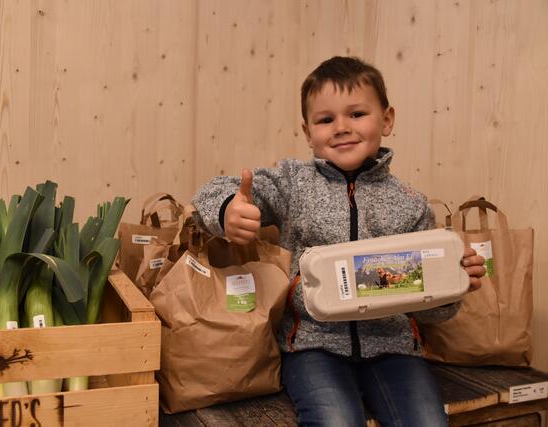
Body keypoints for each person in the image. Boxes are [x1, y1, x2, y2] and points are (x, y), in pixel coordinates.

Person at [192, 56, 486, 426]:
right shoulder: (293, 183)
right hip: (313, 345)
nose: (341, 128)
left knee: (428, 421)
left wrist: (454, 285)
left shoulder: (410, 204)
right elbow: (212, 189)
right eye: (326, 119)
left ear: (387, 120)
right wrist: (228, 211)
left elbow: (428, 309)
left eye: (357, 114)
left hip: (393, 346)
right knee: (335, 421)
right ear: (307, 131)